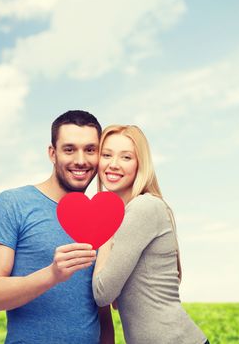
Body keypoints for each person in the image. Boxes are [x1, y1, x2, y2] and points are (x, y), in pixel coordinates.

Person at [0, 111, 114, 344]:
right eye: (69, 149)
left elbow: (100, 308)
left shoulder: (103, 219)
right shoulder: (12, 204)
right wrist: (52, 275)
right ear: (52, 153)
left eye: (90, 150)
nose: (81, 160)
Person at [92, 125, 209, 344]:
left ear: (140, 164)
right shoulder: (129, 213)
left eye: (126, 157)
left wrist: (103, 231)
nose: (113, 164)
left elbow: (103, 294)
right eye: (106, 155)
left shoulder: (143, 207)